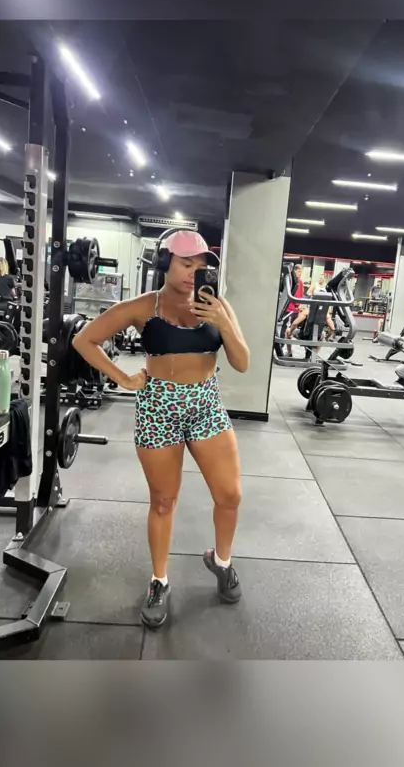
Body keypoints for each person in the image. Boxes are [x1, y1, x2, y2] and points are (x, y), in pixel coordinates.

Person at [72, 230, 250, 630]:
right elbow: (86, 340)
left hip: (205, 405)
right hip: (158, 408)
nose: (193, 274)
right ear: (165, 263)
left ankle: (222, 562)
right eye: (186, 264)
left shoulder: (218, 306)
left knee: (230, 495)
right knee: (164, 500)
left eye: (200, 267)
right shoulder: (143, 306)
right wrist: (122, 378)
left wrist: (224, 322)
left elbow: (242, 363)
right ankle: (159, 580)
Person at [285, 263, 304, 356]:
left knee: (292, 330)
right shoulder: (291, 281)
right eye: (299, 271)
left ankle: (289, 351)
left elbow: (301, 295)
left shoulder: (301, 282)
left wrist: (300, 305)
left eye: (301, 272)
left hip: (296, 310)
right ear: (295, 271)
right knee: (287, 330)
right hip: (290, 309)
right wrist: (297, 304)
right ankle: (284, 348)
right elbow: (292, 295)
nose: (300, 273)